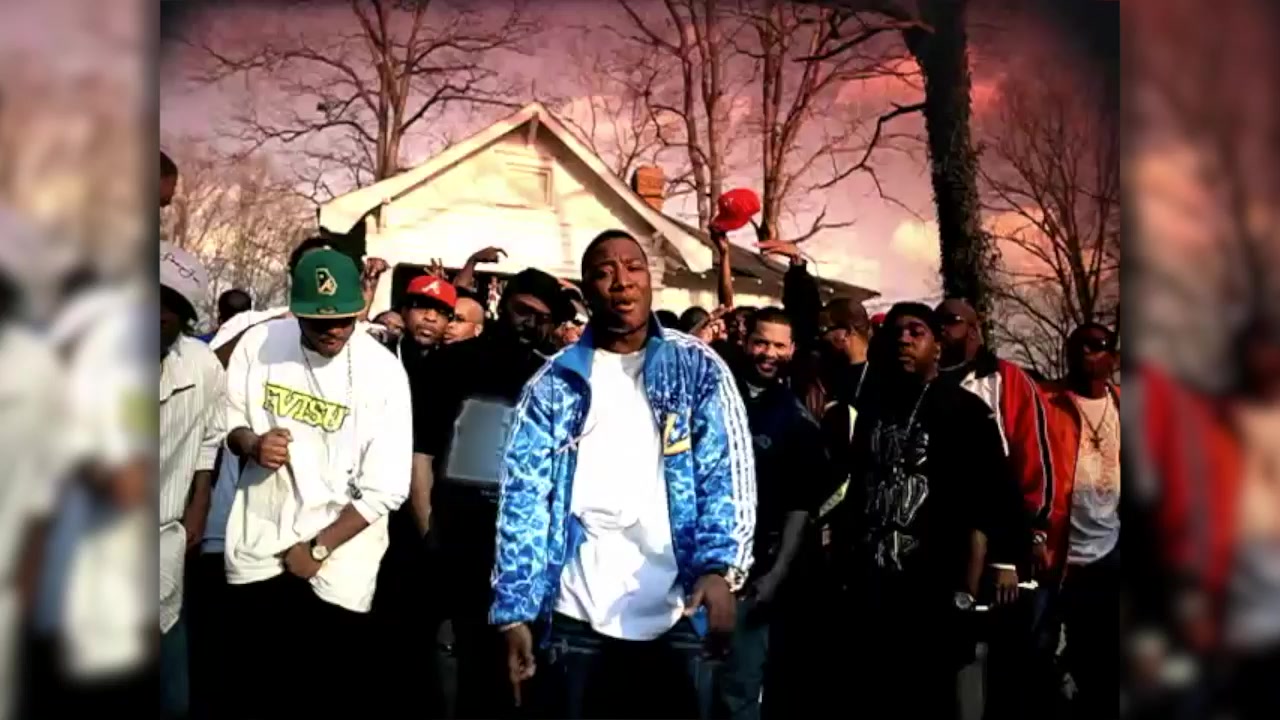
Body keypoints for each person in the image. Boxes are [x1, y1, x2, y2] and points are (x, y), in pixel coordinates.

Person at [492, 229, 756, 720]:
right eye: (604, 272)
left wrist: (721, 569)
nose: (622, 282)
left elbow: (726, 475)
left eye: (633, 268)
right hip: (576, 614)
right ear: (586, 292)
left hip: (680, 609)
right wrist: (515, 612)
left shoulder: (696, 367)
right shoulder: (553, 383)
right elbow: (523, 501)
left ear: (649, 280)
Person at [220, 249, 412, 719]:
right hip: (259, 546)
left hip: (341, 563)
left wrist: (319, 548)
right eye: (319, 322)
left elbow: (388, 486)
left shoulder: (383, 370)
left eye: (345, 320)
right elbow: (228, 418)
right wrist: (251, 443)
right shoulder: (260, 343)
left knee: (324, 697)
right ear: (296, 310)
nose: (334, 331)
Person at [826, 302, 1025, 720]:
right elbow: (858, 486)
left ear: (937, 347)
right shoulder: (874, 409)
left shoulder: (966, 410)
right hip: (875, 579)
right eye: (897, 332)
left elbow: (994, 490)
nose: (904, 339)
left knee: (935, 693)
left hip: (935, 581)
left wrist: (1000, 562)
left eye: (916, 332)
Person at [399, 268, 571, 718]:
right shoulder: (451, 364)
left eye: (543, 318)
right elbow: (421, 455)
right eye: (523, 311)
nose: (530, 324)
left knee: (507, 679)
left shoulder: (552, 380)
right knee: (440, 674)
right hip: (452, 539)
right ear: (503, 304)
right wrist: (428, 531)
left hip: (516, 554)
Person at [933, 297, 1051, 718]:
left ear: (974, 328)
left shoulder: (1006, 379)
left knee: (1004, 662)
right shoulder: (927, 383)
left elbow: (1031, 462)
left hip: (999, 544)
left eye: (951, 320)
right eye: (937, 320)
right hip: (943, 544)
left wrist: (1025, 538)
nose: (942, 327)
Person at [714, 307, 828, 720]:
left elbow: (800, 505)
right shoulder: (714, 397)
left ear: (792, 350)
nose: (768, 353)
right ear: (746, 342)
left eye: (779, 345)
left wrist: (777, 574)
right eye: (761, 342)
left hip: (753, 577)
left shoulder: (798, 421)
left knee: (740, 691)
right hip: (692, 569)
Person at [1039, 323, 1121, 719]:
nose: (1085, 351)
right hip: (1055, 553)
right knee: (1038, 657)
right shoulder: (1044, 401)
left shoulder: (1126, 404)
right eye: (1077, 345)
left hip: (1108, 553)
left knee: (1102, 660)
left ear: (1113, 358)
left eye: (1096, 345)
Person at [158, 243, 225, 719]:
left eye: (171, 305)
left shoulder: (201, 366)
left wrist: (199, 501)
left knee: (173, 699)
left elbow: (210, 435)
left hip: (165, 539)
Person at [396, 274, 456, 373]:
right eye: (422, 306)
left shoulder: (456, 365)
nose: (430, 318)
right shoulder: (380, 353)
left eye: (442, 312)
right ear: (404, 311)